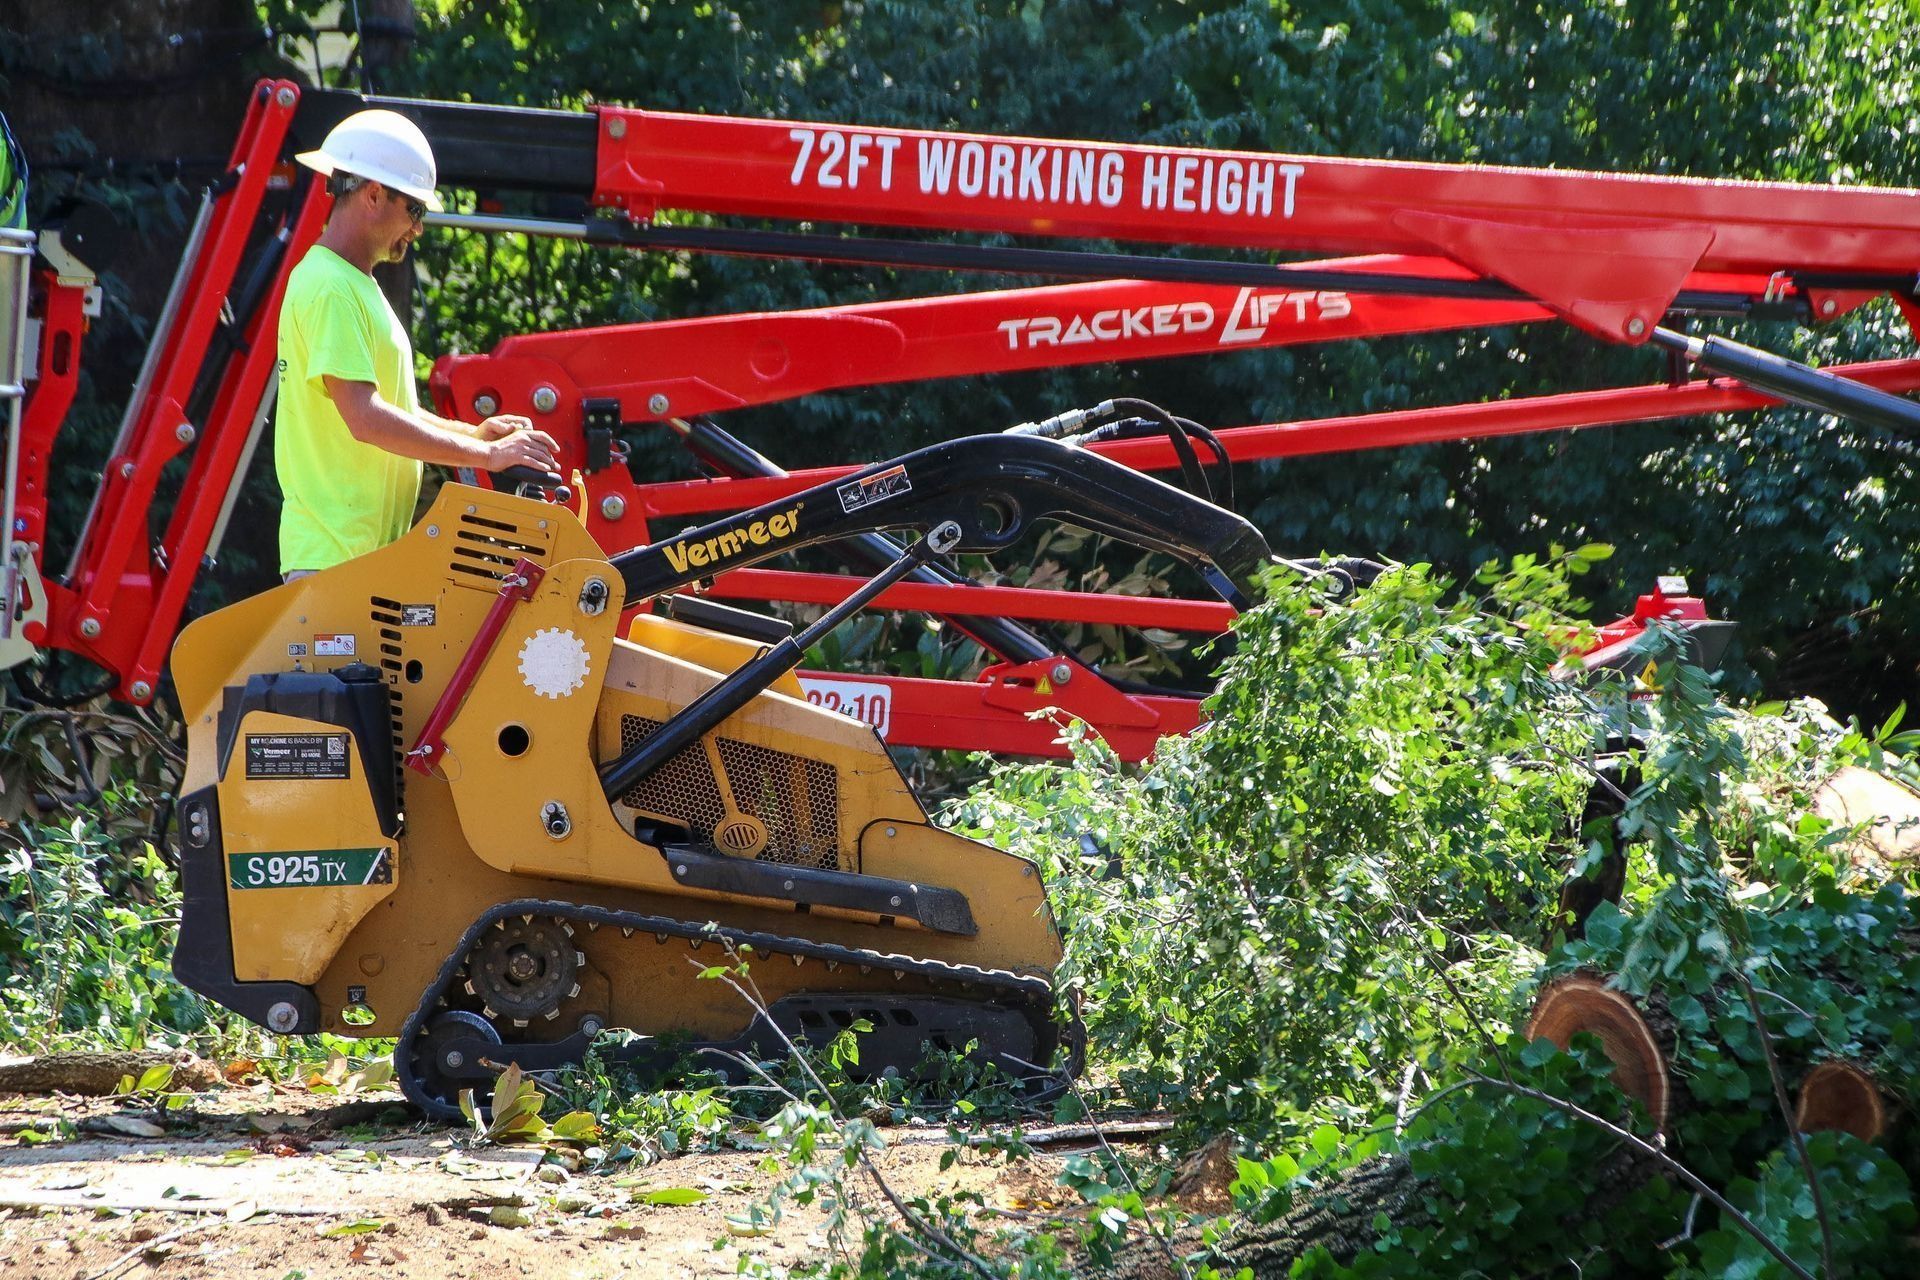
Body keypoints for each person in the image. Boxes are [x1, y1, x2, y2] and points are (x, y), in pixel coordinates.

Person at [277, 109, 558, 580]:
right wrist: (486, 458)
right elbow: (365, 419)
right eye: (415, 209)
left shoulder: (354, 284)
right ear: (373, 195)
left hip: (354, 560)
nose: (419, 228)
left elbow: (391, 407)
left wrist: (472, 434)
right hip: (335, 563)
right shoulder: (329, 286)